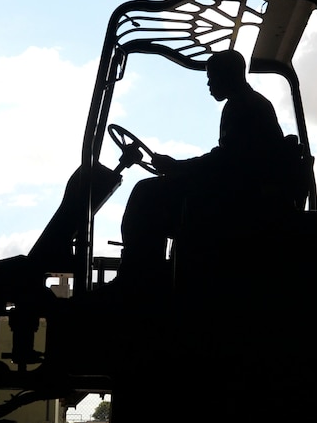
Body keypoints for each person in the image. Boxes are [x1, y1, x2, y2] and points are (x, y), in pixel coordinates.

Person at [114, 49, 285, 286]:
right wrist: (177, 168)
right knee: (154, 191)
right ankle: (147, 273)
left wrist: (176, 167)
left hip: (240, 196)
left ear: (228, 75)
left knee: (146, 193)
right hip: (242, 189)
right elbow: (227, 159)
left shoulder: (243, 106)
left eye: (212, 76)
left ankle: (137, 276)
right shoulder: (248, 103)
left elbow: (226, 161)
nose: (208, 83)